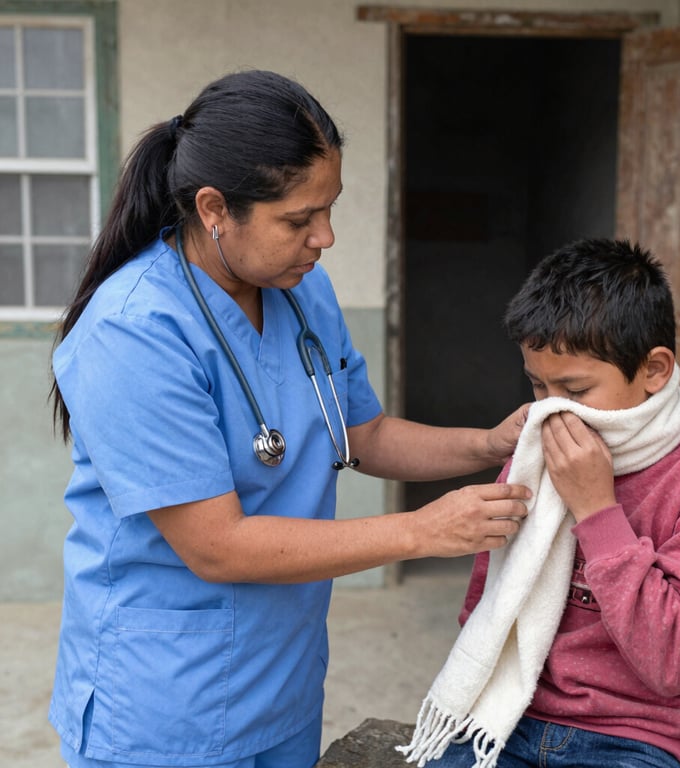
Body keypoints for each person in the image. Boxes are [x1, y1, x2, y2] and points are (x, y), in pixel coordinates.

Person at [47, 69, 533, 768]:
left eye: (329, 210)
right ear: (215, 209)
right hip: (164, 705)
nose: (324, 237)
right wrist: (422, 530)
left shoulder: (303, 292)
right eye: (299, 220)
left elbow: (362, 434)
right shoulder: (134, 331)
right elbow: (217, 546)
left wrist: (491, 443)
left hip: (280, 686)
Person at [398, 239, 680, 768]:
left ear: (654, 370)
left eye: (575, 390)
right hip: (511, 715)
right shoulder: (535, 454)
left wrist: (597, 510)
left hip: (643, 736)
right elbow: (488, 599)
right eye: (537, 385)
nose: (552, 410)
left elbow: (675, 661)